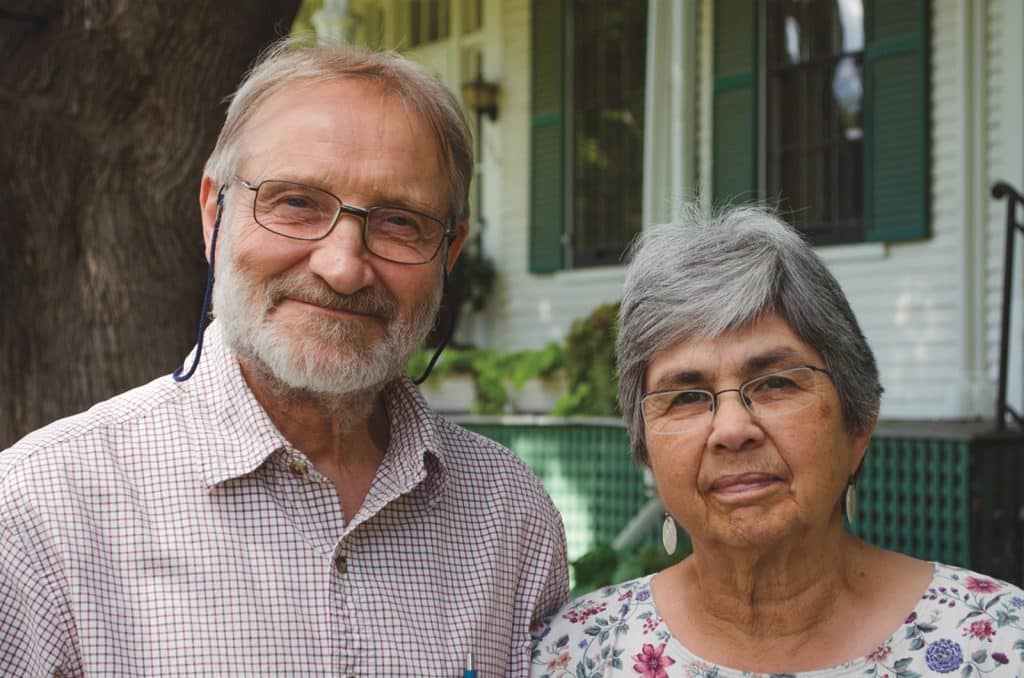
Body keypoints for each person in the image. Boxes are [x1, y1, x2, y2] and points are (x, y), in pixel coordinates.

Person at [1, 38, 568, 676]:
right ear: (214, 213)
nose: (344, 267)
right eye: (297, 204)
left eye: (399, 223)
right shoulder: (42, 512)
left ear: (449, 252)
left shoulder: (510, 516)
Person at [530, 205, 1024, 676]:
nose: (731, 430)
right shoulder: (579, 653)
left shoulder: (997, 642)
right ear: (645, 447)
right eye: (685, 396)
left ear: (859, 423)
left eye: (775, 383)